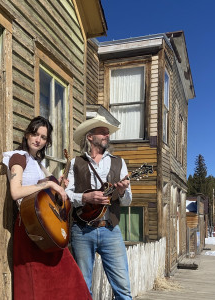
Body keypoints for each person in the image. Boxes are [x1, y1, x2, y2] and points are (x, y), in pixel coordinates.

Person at [2, 116, 92, 300]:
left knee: (69, 278)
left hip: (47, 225)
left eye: (43, 137)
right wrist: (47, 185)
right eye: (35, 134)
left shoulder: (39, 164)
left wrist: (58, 184)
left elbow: (46, 195)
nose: (38, 140)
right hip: (30, 226)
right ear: (27, 134)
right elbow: (16, 191)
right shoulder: (18, 157)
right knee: (36, 285)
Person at [65, 114, 132, 299]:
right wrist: (85, 197)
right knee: (82, 287)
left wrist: (120, 192)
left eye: (108, 133)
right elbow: (66, 195)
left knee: (123, 288)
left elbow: (127, 201)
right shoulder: (75, 163)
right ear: (90, 136)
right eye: (102, 132)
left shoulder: (120, 163)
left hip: (110, 229)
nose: (107, 136)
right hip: (81, 230)